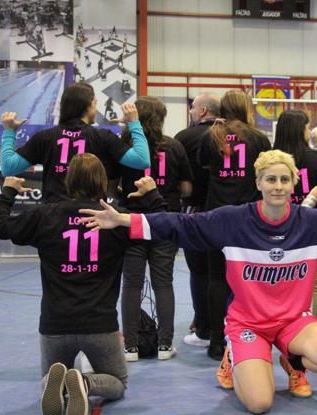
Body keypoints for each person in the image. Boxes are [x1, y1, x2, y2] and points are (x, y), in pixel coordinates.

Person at [78, 149, 317, 414]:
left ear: (293, 184)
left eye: (284, 180)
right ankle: (234, 356)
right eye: (271, 180)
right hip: (247, 323)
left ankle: (291, 358)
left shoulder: (313, 222)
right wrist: (124, 220)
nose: (278, 186)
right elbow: (181, 224)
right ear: (259, 183)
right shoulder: (232, 220)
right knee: (261, 404)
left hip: (294, 319)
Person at [0, 154, 162, 415]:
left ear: (68, 181)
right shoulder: (116, 219)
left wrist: (8, 192)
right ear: (102, 182)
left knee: (50, 378)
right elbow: (162, 228)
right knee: (118, 383)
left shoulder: (45, 215)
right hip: (100, 325)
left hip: (55, 324)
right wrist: (152, 196)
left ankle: (56, 384)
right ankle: (84, 382)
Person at [198, 90, 272, 360]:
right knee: (249, 278)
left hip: (217, 213)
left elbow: (204, 167)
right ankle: (250, 337)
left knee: (217, 277)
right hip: (248, 215)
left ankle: (217, 342)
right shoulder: (258, 138)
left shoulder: (212, 136)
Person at [119, 97, 193, 362]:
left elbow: (112, 183)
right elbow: (187, 189)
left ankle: (130, 347)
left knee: (131, 284)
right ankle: (164, 345)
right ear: (160, 119)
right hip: (165, 219)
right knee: (164, 282)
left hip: (132, 220)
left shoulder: (124, 147)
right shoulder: (174, 146)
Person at [0, 83, 150, 203]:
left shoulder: (45, 137)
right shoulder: (103, 137)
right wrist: (134, 123)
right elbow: (142, 160)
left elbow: (8, 168)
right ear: (87, 106)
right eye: (95, 103)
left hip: (54, 219)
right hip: (93, 219)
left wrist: (9, 132)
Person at [273, 111, 317, 324]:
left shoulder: (270, 160)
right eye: (306, 127)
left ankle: (283, 325)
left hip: (280, 228)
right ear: (301, 130)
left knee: (283, 283)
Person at [176, 92, 221, 347]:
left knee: (200, 271)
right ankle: (219, 325)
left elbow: (183, 182)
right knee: (223, 272)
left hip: (195, 210)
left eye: (193, 108)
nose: (192, 113)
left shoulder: (185, 137)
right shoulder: (232, 135)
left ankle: (204, 329)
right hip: (226, 211)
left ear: (203, 111)